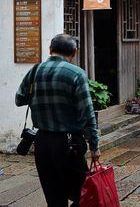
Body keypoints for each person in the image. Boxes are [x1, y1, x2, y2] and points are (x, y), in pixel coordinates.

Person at [15, 34, 100, 206]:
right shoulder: (76, 74)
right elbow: (87, 113)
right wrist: (94, 146)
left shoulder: (35, 70)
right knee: (84, 194)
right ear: (74, 52)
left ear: (50, 50)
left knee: (54, 199)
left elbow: (19, 99)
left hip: (42, 143)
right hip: (69, 144)